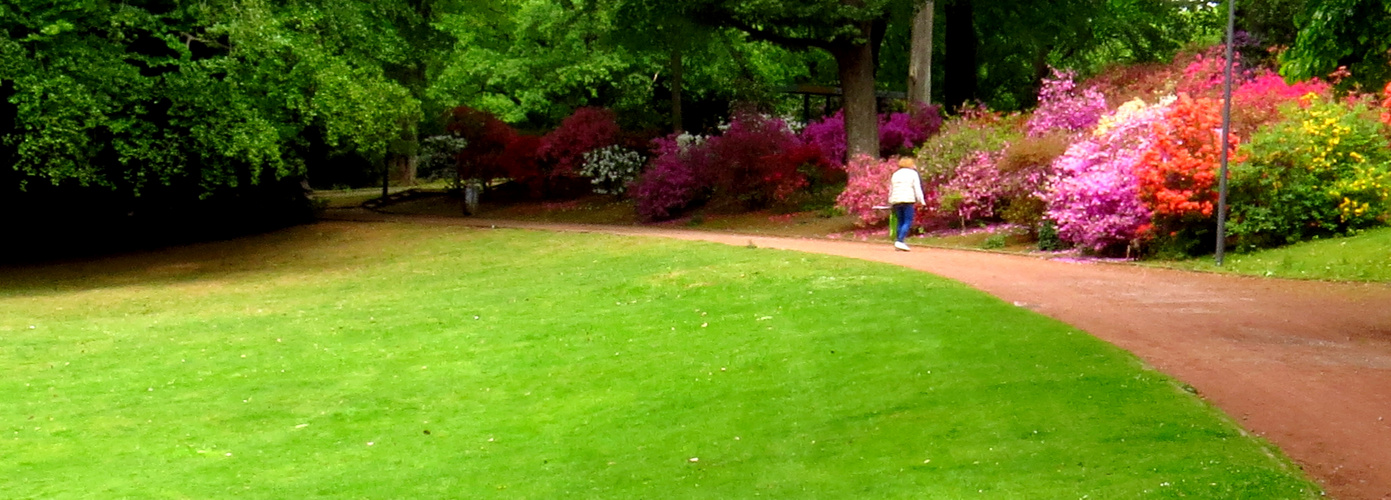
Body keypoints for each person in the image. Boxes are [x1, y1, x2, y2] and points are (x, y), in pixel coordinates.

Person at [888, 157, 925, 251]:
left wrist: (890, 200)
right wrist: (921, 200)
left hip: (896, 200)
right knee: (908, 220)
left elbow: (891, 189)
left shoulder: (895, 174)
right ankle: (900, 241)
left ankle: (899, 240)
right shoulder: (913, 174)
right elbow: (917, 188)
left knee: (900, 221)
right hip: (907, 199)